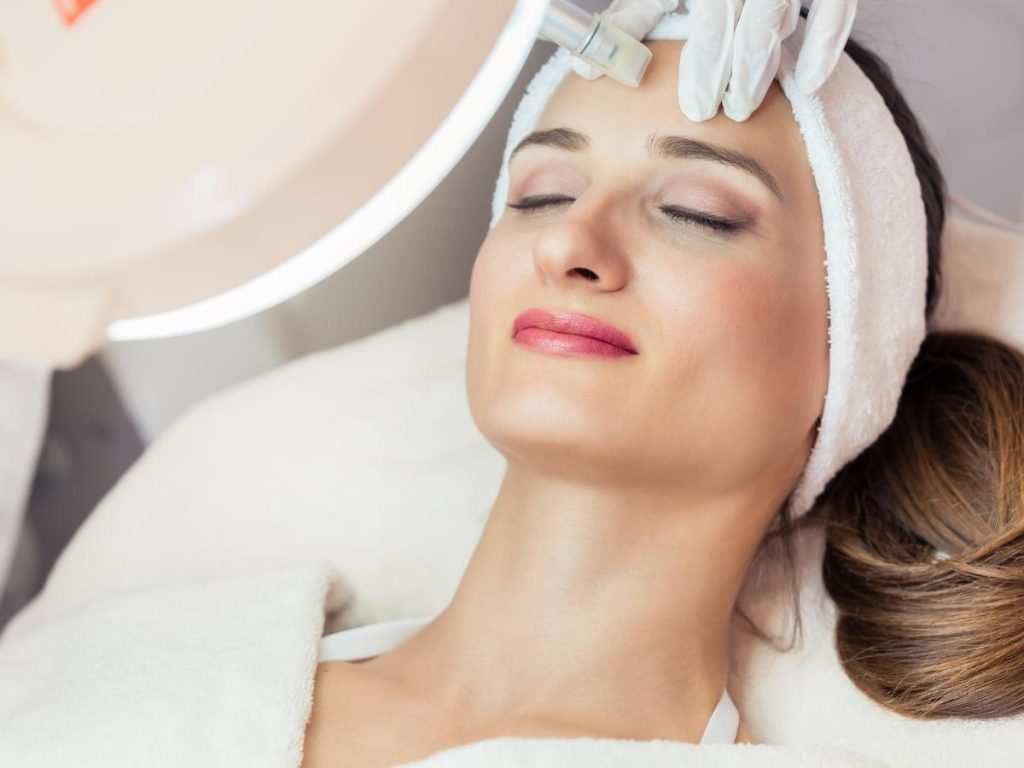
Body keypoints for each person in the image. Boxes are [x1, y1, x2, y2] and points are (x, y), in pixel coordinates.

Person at [301, 8, 1023, 766]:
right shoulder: (225, 662)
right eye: (541, 196)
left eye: (695, 213)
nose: (566, 241)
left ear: (848, 360)